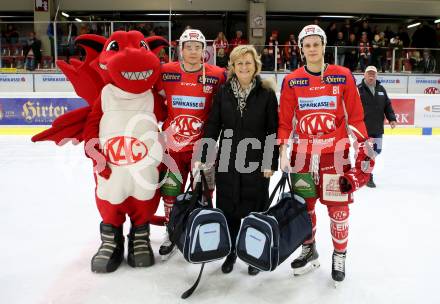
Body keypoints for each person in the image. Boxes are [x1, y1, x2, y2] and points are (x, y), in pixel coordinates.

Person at [278, 24, 375, 285]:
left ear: (323, 47)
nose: (312, 49)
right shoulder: (292, 80)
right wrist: (283, 151)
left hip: (336, 155)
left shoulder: (342, 76)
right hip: (303, 156)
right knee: (304, 208)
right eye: (307, 45)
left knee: (338, 210)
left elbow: (355, 116)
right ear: (301, 49)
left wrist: (363, 146)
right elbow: (285, 121)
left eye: (316, 44)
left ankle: (339, 254)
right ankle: (309, 249)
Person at [198, 45, 279, 276]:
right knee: (229, 207)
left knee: (256, 209)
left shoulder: (266, 93)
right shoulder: (223, 92)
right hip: (228, 158)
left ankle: (254, 254)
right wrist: (204, 154)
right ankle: (232, 251)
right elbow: (213, 125)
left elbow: (272, 130)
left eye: (248, 62)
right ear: (232, 67)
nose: (244, 67)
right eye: (239, 63)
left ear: (256, 66)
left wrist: (269, 162)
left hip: (256, 159)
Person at [157, 29, 226, 258]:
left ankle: (202, 232)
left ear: (204, 51)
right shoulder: (166, 72)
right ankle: (172, 232)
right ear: (181, 49)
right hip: (173, 148)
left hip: (203, 149)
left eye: (198, 47)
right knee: (170, 193)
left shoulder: (217, 74)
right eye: (189, 47)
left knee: (206, 194)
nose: (194, 51)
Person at [358, 66, 397, 188]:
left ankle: (364, 171)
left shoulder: (381, 89)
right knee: (367, 152)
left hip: (378, 129)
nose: (371, 76)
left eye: (373, 74)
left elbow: (387, 105)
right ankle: (367, 176)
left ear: (376, 76)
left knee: (377, 151)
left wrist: (392, 119)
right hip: (364, 129)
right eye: (369, 73)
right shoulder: (358, 90)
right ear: (364, 75)